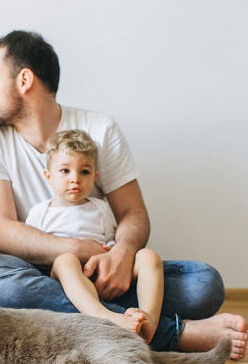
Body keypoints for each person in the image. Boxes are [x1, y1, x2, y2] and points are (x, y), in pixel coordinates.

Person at [0, 30, 248, 359]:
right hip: (36, 273)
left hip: (100, 274)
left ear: (24, 79)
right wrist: (76, 250)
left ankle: (89, 315)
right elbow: (2, 231)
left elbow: (134, 214)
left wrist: (122, 254)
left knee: (204, 284)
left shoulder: (99, 127)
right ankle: (171, 333)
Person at [25, 129, 163, 343]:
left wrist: (108, 258)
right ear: (48, 176)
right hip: (64, 275)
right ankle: (103, 315)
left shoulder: (101, 209)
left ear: (95, 176)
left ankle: (149, 320)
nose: (75, 179)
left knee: (148, 256)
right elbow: (32, 253)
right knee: (66, 258)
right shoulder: (40, 213)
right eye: (65, 171)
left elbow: (113, 244)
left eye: (84, 172)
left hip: (100, 271)